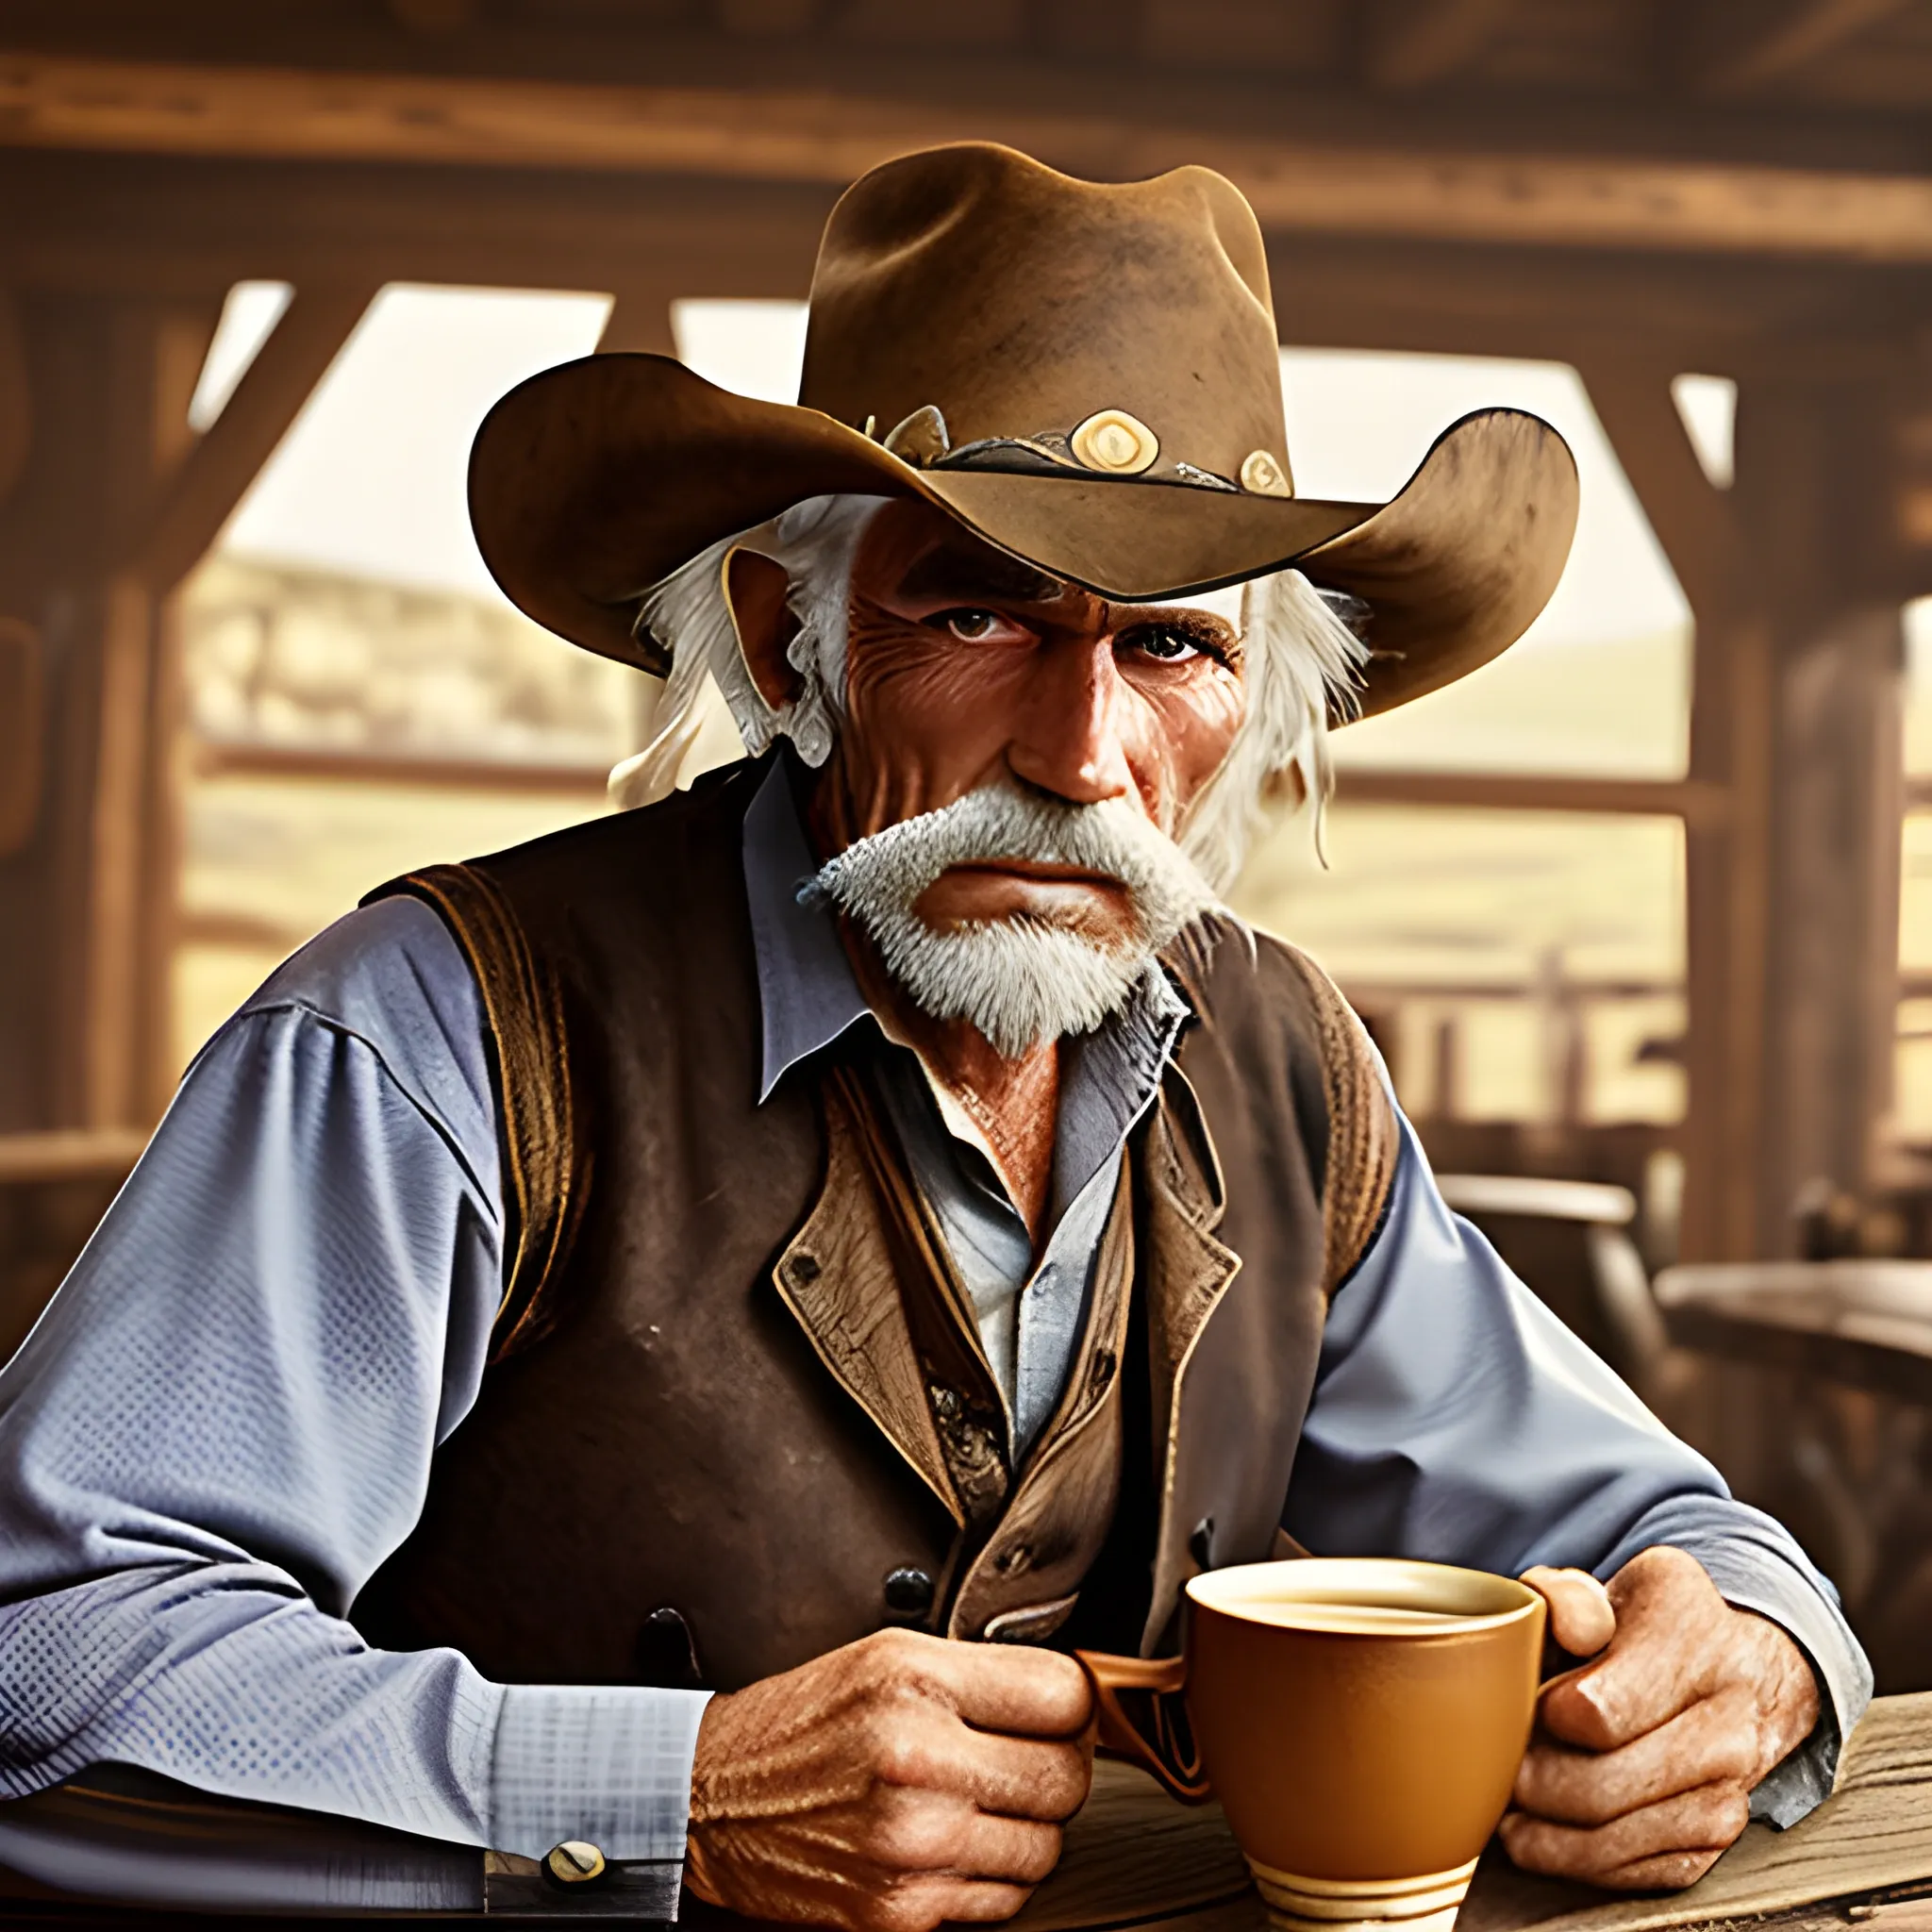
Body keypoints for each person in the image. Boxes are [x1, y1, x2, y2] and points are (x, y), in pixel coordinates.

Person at [0, 142, 1868, 1928]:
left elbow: (1651, 1521)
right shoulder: (440, 1033)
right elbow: (43, 1646)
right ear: (791, 632)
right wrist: (673, 1798)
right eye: (976, 609)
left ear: (1251, 701)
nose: (1077, 755)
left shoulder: (1283, 1063)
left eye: (1170, 647)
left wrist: (1754, 1651)